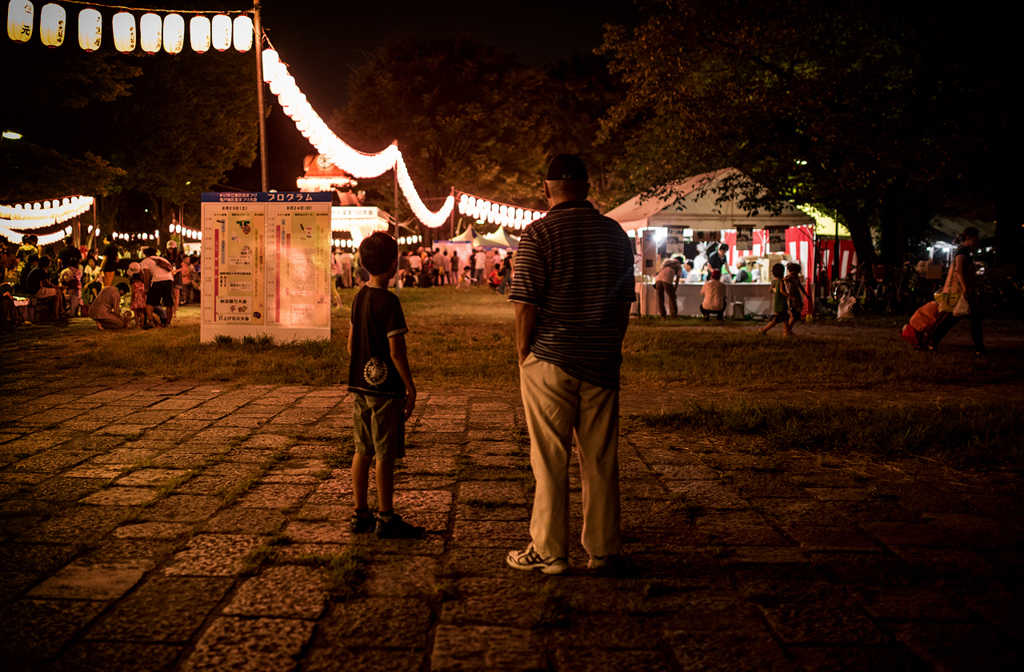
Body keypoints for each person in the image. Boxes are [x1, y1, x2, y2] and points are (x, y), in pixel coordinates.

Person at [507, 154, 635, 575]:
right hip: (600, 359)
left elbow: (526, 304)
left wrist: (524, 354)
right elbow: (622, 305)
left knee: (549, 458)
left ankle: (550, 550)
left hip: (551, 358)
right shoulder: (616, 235)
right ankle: (602, 549)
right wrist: (609, 344)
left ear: (546, 190)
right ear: (588, 188)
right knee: (600, 457)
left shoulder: (538, 234)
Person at [347, 231, 423, 539]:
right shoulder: (389, 302)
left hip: (360, 385)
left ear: (363, 264)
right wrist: (411, 387)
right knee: (384, 452)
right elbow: (396, 351)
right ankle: (386, 516)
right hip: (386, 389)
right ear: (394, 265)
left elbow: (351, 345)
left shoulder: (359, 297)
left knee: (361, 449)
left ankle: (360, 513)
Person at [926, 226, 986, 355]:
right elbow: (959, 271)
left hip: (959, 292)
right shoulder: (962, 253)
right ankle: (979, 348)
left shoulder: (964, 252)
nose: (977, 241)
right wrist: (965, 289)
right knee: (971, 318)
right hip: (959, 292)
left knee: (954, 319)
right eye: (975, 238)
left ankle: (932, 341)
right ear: (968, 238)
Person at [140, 246, 175, 327]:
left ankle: (150, 321)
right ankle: (168, 323)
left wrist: (146, 288)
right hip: (169, 280)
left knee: (150, 302)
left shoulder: (145, 261)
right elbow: (171, 272)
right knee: (169, 303)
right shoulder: (163, 259)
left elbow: (146, 275)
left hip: (157, 280)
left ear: (146, 255)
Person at [24, 256, 66, 321]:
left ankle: (60, 311)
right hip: (36, 291)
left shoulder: (38, 269)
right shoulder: (41, 270)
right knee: (57, 292)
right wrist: (59, 287)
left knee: (56, 295)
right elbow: (47, 284)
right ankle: (59, 313)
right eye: (49, 261)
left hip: (34, 290)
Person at [758, 263, 791, 335]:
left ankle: (787, 331)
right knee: (776, 320)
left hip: (776, 303)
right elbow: (782, 291)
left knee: (785, 318)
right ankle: (764, 330)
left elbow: (770, 291)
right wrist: (790, 296)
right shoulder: (780, 281)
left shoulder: (774, 282)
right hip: (781, 304)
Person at [784, 262, 812, 333]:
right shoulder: (788, 278)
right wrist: (788, 278)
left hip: (797, 297)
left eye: (795, 274)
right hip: (791, 298)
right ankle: (788, 330)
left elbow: (800, 286)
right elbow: (783, 280)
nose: (794, 276)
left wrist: (806, 294)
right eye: (792, 274)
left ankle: (788, 329)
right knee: (793, 315)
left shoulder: (797, 278)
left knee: (796, 314)